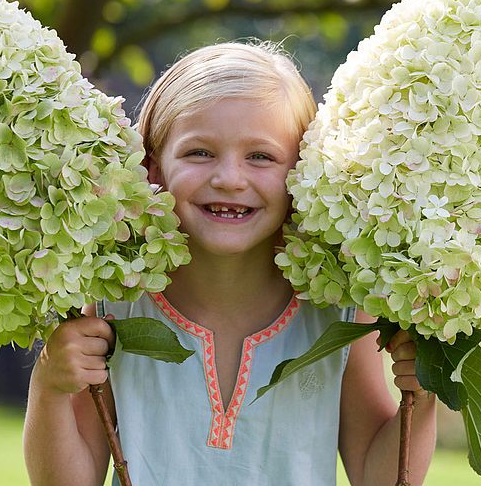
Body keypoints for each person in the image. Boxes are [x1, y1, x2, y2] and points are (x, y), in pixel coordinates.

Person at [23, 41, 436, 486]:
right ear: (152, 167)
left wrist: (425, 394)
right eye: (199, 152)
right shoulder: (117, 307)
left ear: (303, 172)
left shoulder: (336, 312)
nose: (229, 179)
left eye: (261, 156)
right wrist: (49, 385)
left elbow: (380, 477)